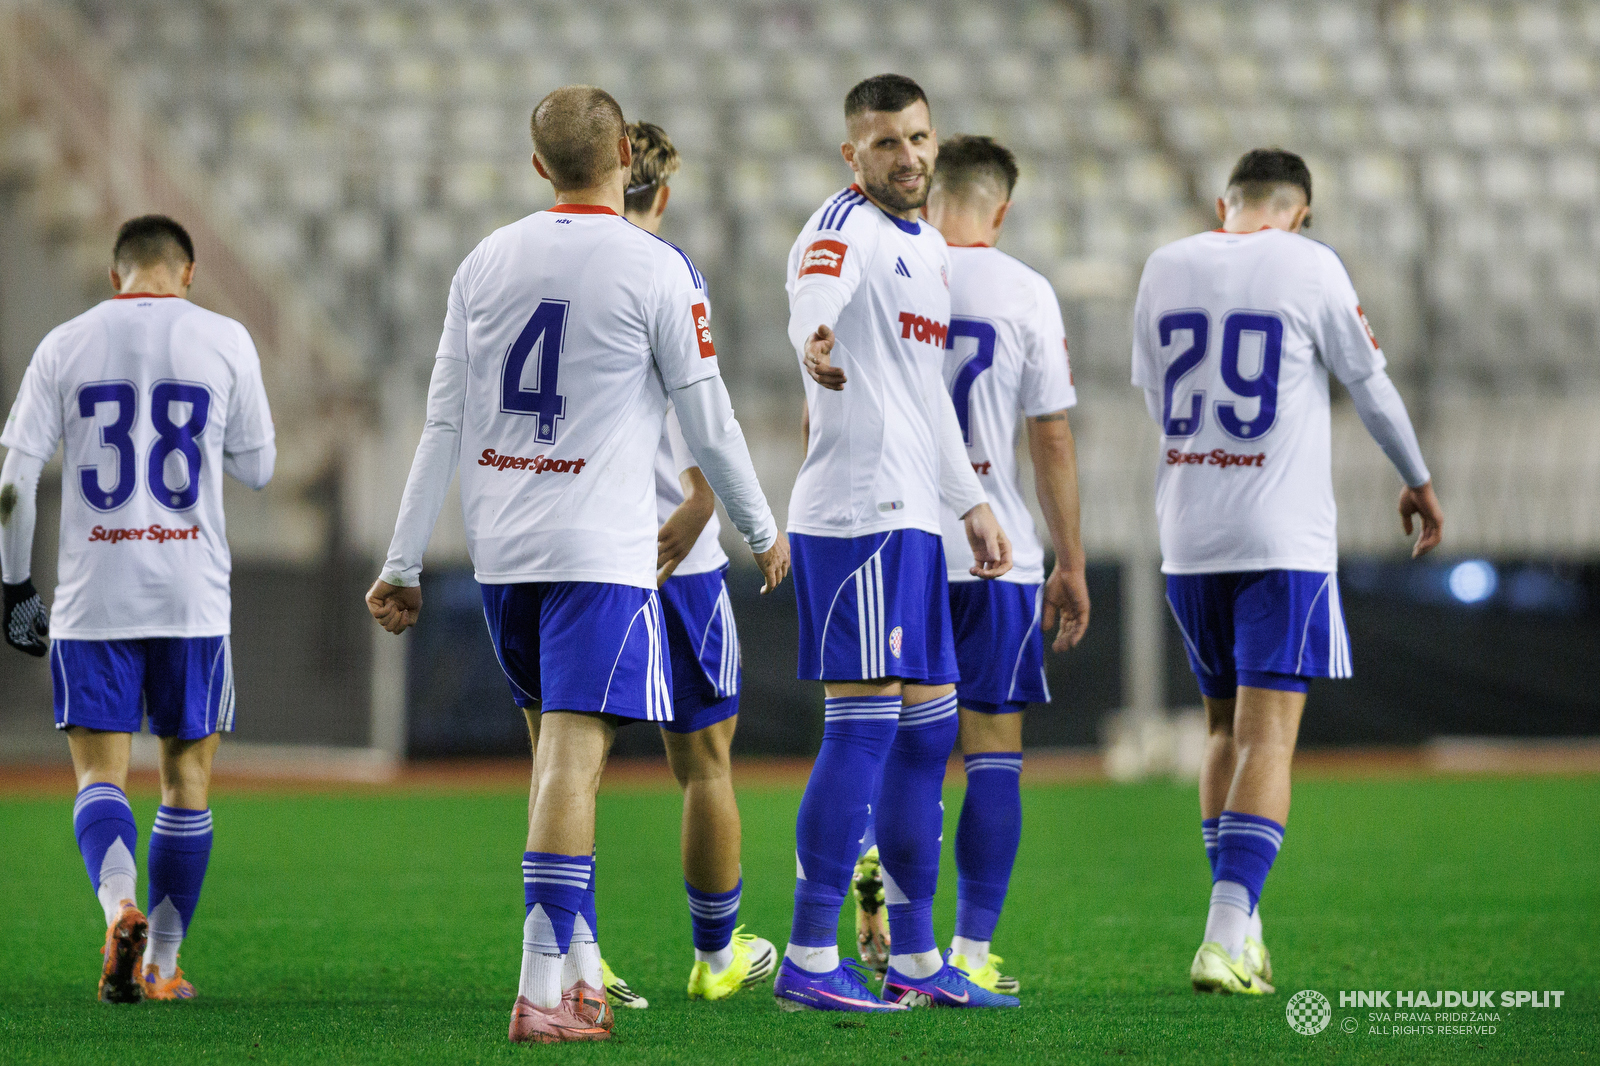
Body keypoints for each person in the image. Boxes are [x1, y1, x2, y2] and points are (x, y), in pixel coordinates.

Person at [364, 86, 786, 1044]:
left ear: (535, 162)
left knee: (557, 756)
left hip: (504, 550)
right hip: (604, 551)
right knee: (581, 755)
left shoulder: (483, 260)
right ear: (626, 154)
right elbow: (709, 420)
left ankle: (581, 971)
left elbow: (442, 422)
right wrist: (763, 528)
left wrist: (403, 560)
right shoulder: (655, 268)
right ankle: (546, 991)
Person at [1130, 148, 1444, 995]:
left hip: (1189, 534)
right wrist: (1416, 479)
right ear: (1299, 211)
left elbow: (1155, 396)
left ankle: (1245, 931)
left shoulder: (1164, 265)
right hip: (1280, 539)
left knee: (1224, 732)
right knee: (1269, 738)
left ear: (1223, 202)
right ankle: (1224, 936)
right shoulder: (1312, 265)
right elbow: (1370, 384)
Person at [772, 74, 1018, 1013]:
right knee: (863, 734)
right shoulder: (842, 225)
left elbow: (924, 398)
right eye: (885, 143)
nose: (907, 157)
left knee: (929, 738)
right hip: (859, 517)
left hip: (916, 518)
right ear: (852, 155)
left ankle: (915, 961)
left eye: (918, 138)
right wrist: (815, 341)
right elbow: (815, 295)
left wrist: (971, 503)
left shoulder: (928, 248)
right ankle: (807, 954)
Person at [0, 214, 276, 1004]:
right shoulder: (224, 338)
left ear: (115, 273)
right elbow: (260, 468)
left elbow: (14, 476)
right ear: (186, 273)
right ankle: (160, 963)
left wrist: (15, 585)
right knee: (186, 779)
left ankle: (118, 907)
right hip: (191, 597)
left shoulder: (66, 342)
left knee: (99, 775)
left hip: (95, 598)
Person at [917, 133, 1091, 994]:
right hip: (997, 557)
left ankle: (890, 923)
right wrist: (1071, 560)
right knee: (992, 755)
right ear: (1003, 206)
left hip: (899, 541)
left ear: (930, 186)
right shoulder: (1024, 292)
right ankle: (972, 952)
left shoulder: (889, 270)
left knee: (889, 749)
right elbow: (1050, 434)